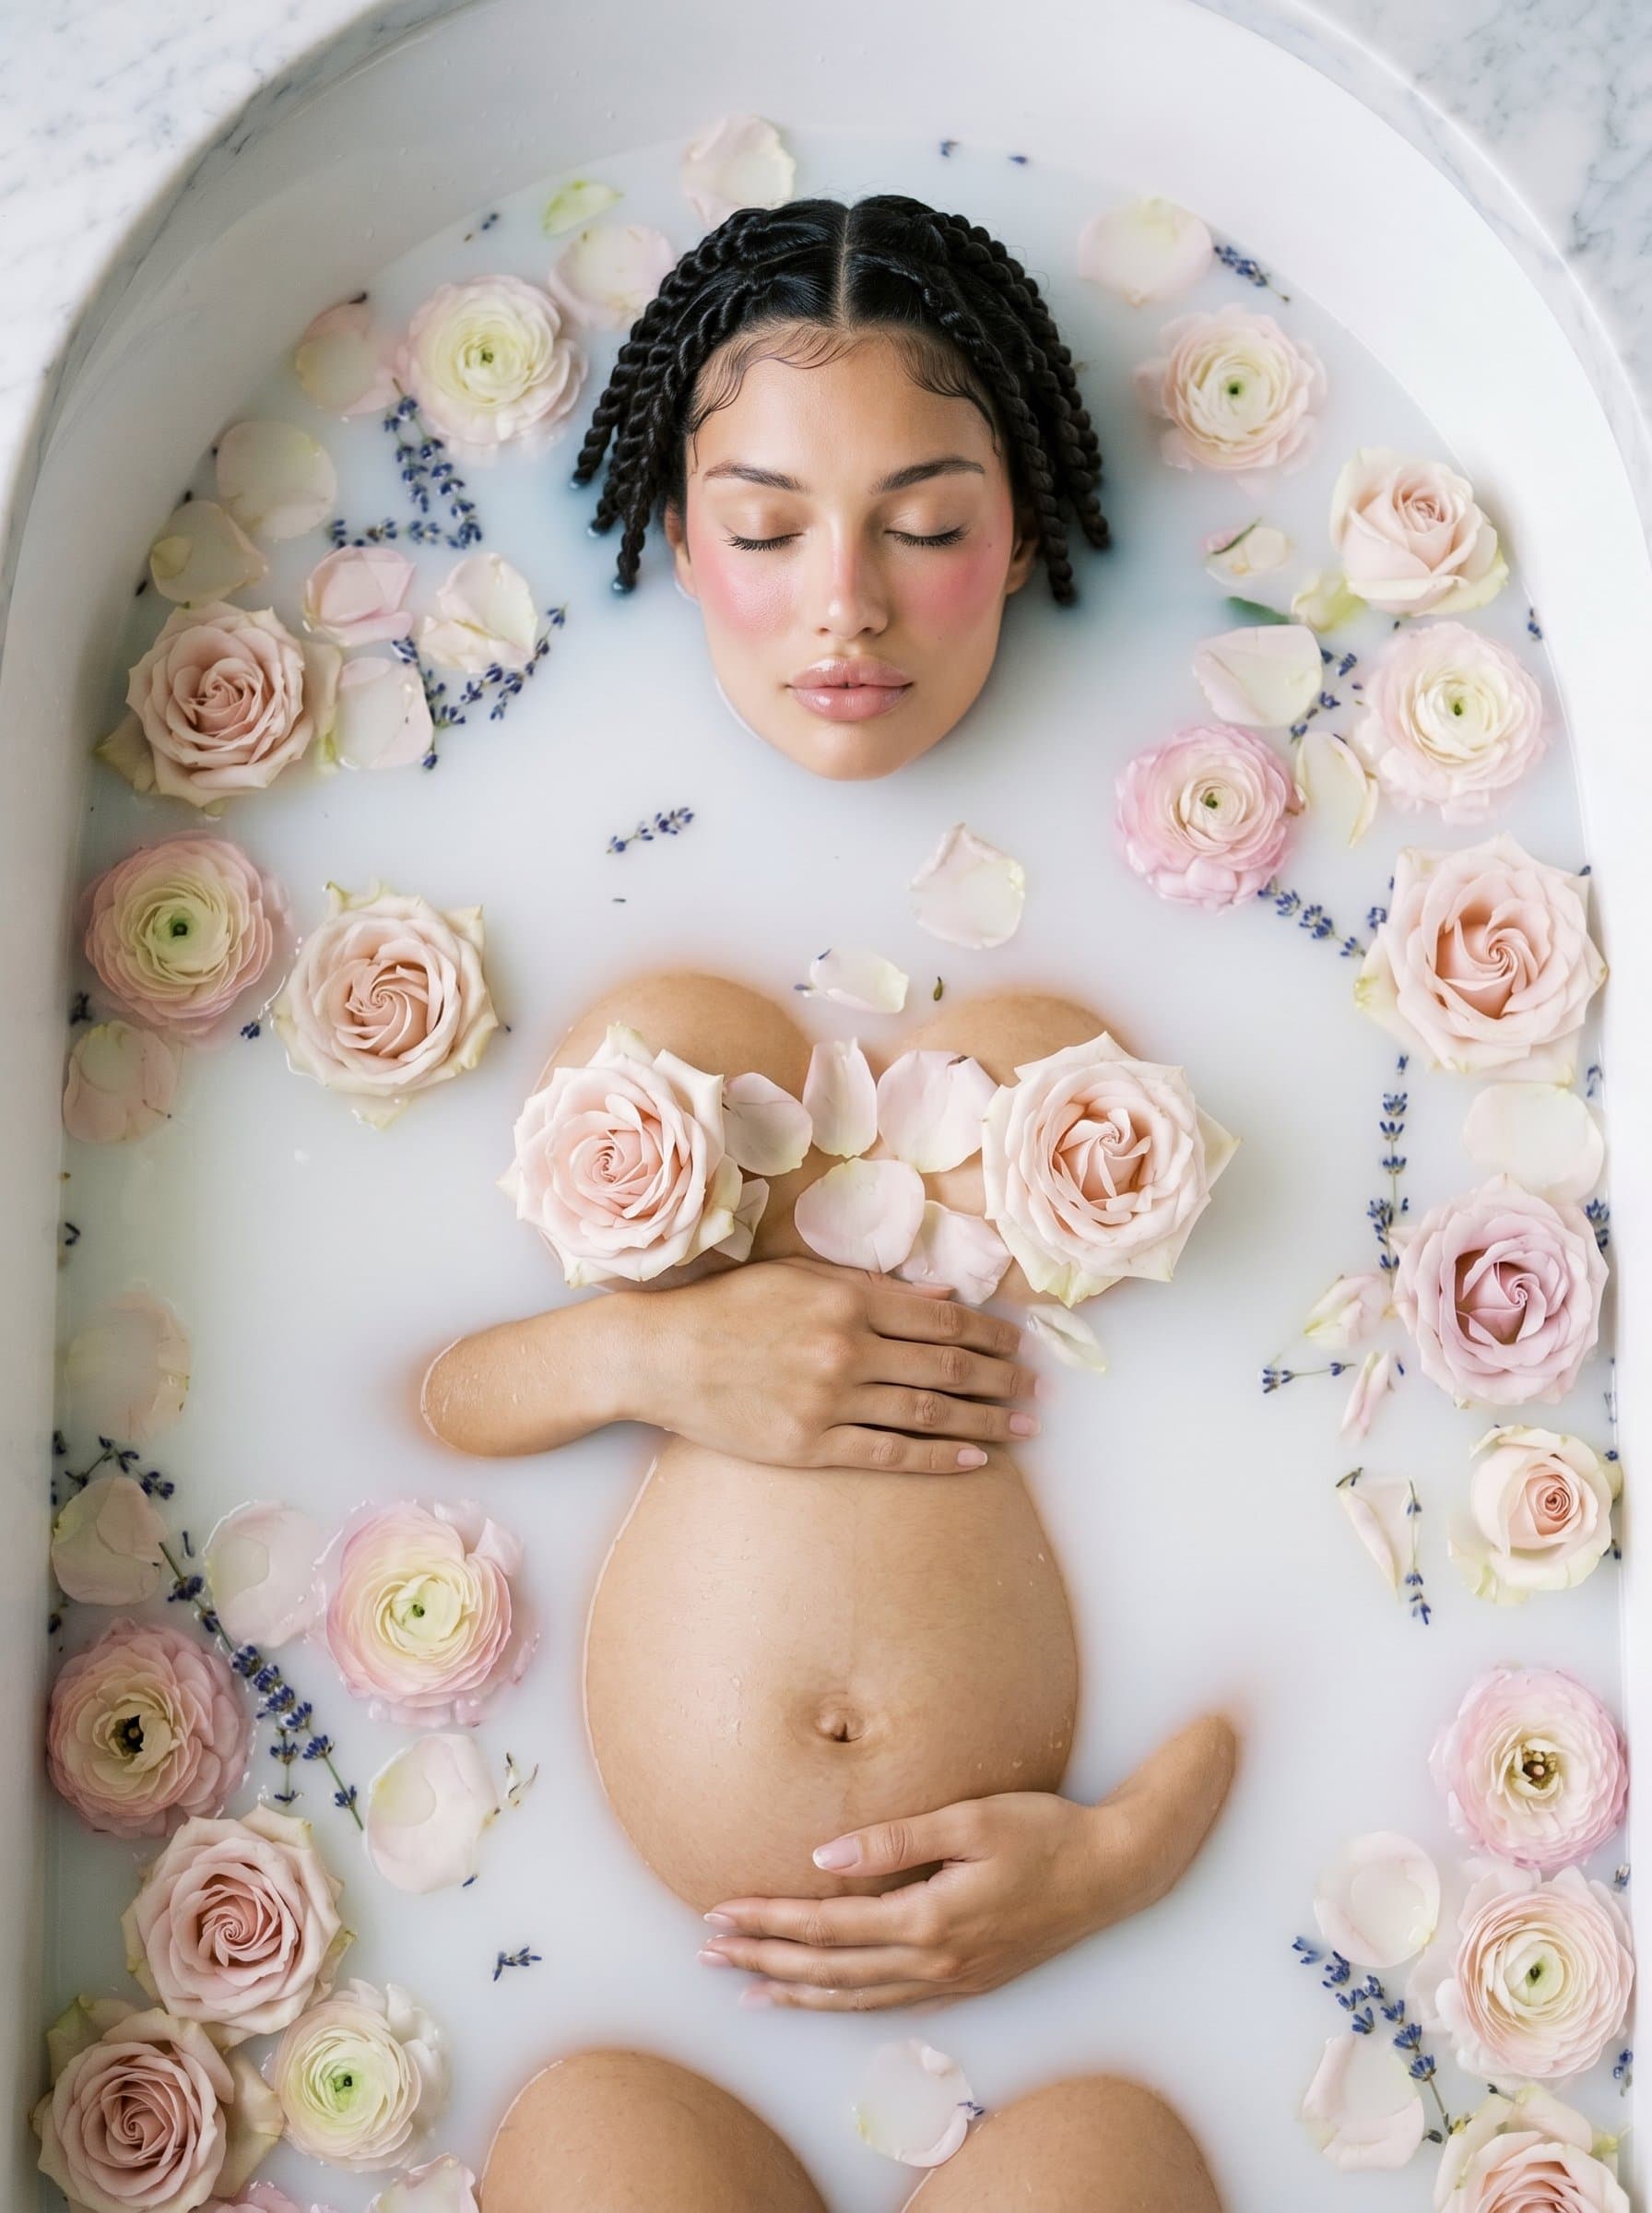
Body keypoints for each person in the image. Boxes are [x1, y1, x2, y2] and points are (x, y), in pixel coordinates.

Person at [425, 193, 1232, 2195]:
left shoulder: (1152, 948)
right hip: (619, 1982)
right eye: (765, 528)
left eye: (927, 524)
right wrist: (643, 1350)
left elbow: (1347, 1516)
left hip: (1074, 1978)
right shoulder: (553, 882)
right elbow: (414, 1409)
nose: (842, 607)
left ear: (1024, 523)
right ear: (677, 536)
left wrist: (1137, 1853)